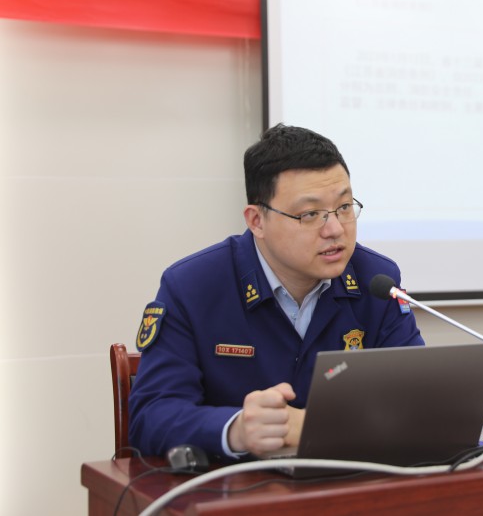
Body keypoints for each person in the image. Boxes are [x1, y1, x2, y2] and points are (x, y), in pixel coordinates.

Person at [128, 124, 424, 461]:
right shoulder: (193, 286)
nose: (335, 229)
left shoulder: (376, 281)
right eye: (310, 214)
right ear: (257, 221)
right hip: (233, 486)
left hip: (349, 480)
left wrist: (320, 426)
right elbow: (150, 417)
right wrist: (236, 430)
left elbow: (416, 401)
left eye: (344, 207)